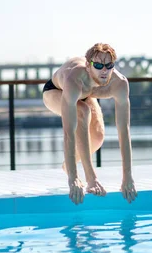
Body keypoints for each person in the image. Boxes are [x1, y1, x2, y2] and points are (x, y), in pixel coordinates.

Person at [42, 43, 137, 205]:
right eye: (98, 65)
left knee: (98, 137)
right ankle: (90, 178)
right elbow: (68, 133)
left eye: (108, 65)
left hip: (87, 94)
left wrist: (127, 177)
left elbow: (124, 130)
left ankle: (67, 165)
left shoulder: (120, 83)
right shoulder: (74, 79)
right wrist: (73, 179)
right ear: (88, 66)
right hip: (56, 91)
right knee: (82, 112)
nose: (104, 71)